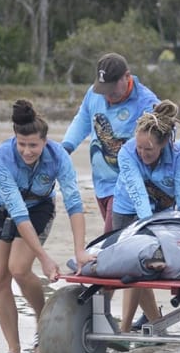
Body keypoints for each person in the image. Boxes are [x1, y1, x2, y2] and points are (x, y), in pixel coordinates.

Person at [0, 100, 94, 353]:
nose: (26, 151)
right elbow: (17, 213)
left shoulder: (58, 158)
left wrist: (80, 250)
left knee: (19, 269)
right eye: (21, 144)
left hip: (39, 208)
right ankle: (14, 351)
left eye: (33, 145)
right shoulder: (1, 157)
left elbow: (74, 204)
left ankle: (42, 324)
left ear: (44, 142)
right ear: (15, 139)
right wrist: (44, 258)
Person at [113, 100, 180, 331]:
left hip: (164, 211)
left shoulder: (179, 157)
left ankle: (150, 326)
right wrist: (146, 227)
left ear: (165, 144)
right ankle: (128, 328)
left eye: (148, 149)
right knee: (132, 266)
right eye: (139, 147)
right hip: (128, 208)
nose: (142, 153)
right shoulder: (127, 152)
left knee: (145, 267)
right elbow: (138, 194)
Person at [61, 52, 159, 233]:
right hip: (101, 184)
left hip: (128, 185)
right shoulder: (94, 93)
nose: (107, 95)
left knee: (111, 240)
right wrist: (66, 147)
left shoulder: (147, 103)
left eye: (112, 89)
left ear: (127, 77)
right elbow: (83, 119)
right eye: (103, 90)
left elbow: (160, 143)